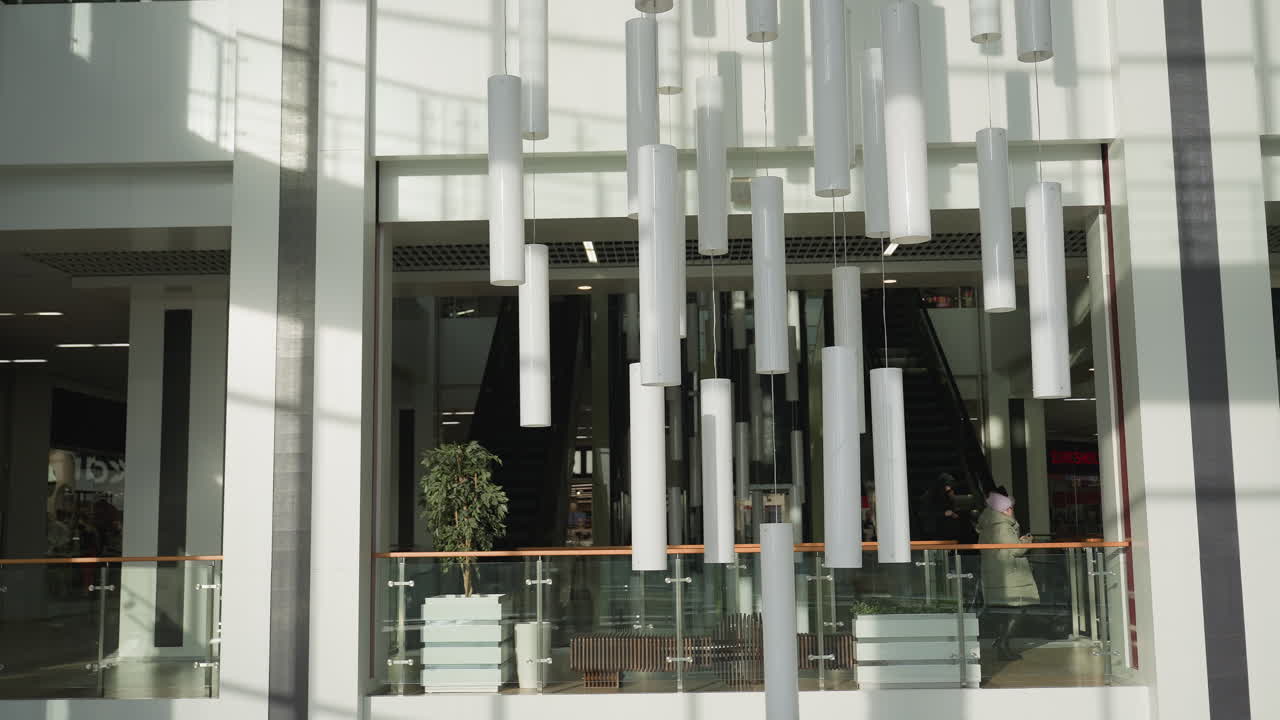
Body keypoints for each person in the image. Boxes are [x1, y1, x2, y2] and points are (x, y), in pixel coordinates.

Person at [977, 492, 1039, 661]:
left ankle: (1002, 642)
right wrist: (1027, 541)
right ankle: (1003, 642)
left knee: (1005, 610)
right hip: (1009, 573)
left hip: (996, 573)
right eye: (1009, 507)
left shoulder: (988, 525)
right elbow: (1016, 550)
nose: (1012, 510)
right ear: (1002, 509)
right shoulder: (1002, 526)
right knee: (1019, 608)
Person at [918, 473, 978, 544]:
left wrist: (951, 513)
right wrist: (943, 513)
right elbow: (924, 513)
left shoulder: (945, 494)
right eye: (947, 486)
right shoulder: (929, 496)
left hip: (945, 528)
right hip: (934, 529)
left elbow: (948, 506)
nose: (949, 489)